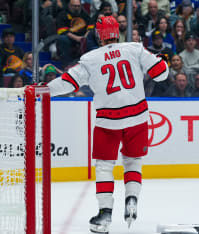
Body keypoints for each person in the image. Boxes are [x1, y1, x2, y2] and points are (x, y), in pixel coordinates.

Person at [46, 16, 169, 233]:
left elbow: (67, 83)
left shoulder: (90, 58)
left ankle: (104, 213)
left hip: (108, 120)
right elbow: (162, 74)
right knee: (133, 162)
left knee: (105, 166)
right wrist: (158, 60)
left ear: (97, 35)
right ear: (116, 32)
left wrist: (42, 89)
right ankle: (131, 199)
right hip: (138, 116)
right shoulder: (134, 48)